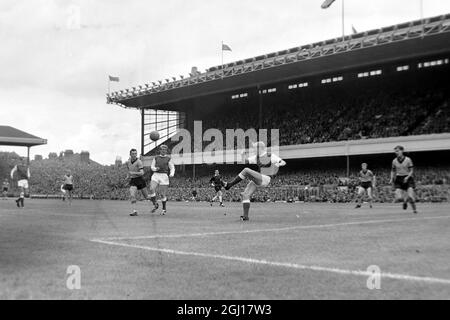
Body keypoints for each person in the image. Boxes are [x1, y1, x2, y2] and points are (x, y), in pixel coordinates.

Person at [225, 142, 286, 221]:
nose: (253, 150)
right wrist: (242, 154)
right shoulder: (256, 157)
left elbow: (283, 162)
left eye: (254, 148)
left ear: (259, 148)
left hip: (266, 178)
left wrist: (277, 164)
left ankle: (229, 185)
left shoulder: (270, 155)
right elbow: (245, 161)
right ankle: (245, 217)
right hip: (258, 178)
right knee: (245, 195)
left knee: (246, 170)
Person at [389, 145, 418, 214]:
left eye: (398, 151)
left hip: (408, 179)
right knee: (399, 198)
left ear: (402, 151)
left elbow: (411, 171)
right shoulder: (394, 161)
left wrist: (407, 177)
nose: (396, 152)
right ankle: (404, 201)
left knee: (411, 197)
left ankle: (414, 210)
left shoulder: (408, 159)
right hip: (399, 179)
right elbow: (393, 171)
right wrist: (391, 178)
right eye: (395, 151)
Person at [149, 145, 175, 215]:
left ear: (166, 151)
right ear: (160, 150)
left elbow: (172, 167)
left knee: (162, 195)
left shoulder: (168, 158)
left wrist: (172, 173)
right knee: (151, 189)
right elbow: (152, 167)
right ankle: (155, 204)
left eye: (165, 149)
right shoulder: (156, 158)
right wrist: (155, 169)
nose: (163, 150)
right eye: (162, 149)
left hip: (164, 176)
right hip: (156, 175)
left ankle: (164, 209)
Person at [126, 148, 150, 216]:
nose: (134, 155)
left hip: (140, 180)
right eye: (133, 154)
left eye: (135, 154)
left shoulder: (139, 162)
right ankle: (134, 211)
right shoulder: (128, 162)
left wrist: (132, 172)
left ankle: (154, 201)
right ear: (130, 154)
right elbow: (129, 171)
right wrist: (128, 176)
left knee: (147, 197)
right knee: (132, 195)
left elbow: (142, 173)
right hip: (133, 181)